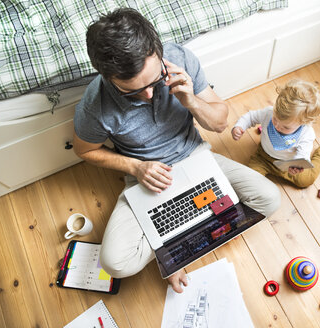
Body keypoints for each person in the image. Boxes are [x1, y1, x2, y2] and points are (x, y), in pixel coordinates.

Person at [72, 8, 280, 293]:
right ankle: (179, 239)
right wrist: (135, 168)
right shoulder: (95, 105)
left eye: (155, 80)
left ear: (158, 53)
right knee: (115, 263)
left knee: (269, 199)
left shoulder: (180, 58)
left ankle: (172, 242)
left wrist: (191, 100)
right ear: (108, 78)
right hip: (146, 177)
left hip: (196, 157)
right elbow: (85, 150)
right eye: (132, 91)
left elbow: (220, 123)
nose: (148, 95)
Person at [231, 79, 320, 188]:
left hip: (287, 165)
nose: (276, 126)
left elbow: (302, 155)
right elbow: (251, 116)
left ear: (303, 122)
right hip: (263, 157)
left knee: (306, 180)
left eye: (285, 127)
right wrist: (239, 126)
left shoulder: (306, 134)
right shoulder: (268, 113)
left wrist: (296, 166)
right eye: (275, 119)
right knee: (250, 178)